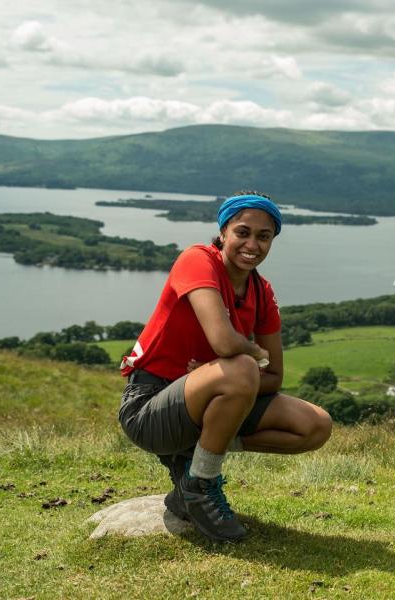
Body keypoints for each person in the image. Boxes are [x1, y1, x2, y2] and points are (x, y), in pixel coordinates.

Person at [118, 191, 332, 542]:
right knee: (242, 368)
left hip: (207, 404)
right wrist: (247, 358)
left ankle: (192, 469)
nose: (253, 244)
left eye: (264, 236)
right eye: (243, 232)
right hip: (149, 407)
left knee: (315, 426)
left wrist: (222, 370)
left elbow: (275, 377)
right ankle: (202, 486)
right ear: (223, 232)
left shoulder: (261, 292)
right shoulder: (197, 259)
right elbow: (224, 342)